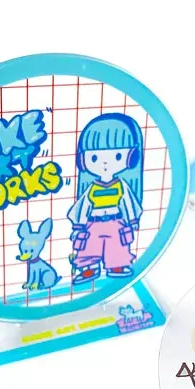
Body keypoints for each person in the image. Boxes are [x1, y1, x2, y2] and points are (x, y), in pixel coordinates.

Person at [67, 113, 144, 283]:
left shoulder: (121, 186)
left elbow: (129, 204)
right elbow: (82, 207)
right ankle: (89, 268)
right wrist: (78, 226)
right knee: (89, 246)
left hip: (116, 222)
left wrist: (132, 221)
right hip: (93, 223)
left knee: (117, 245)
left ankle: (117, 265)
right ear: (83, 160)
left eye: (117, 156)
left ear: (131, 158)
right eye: (94, 157)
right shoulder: (91, 188)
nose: (105, 163)